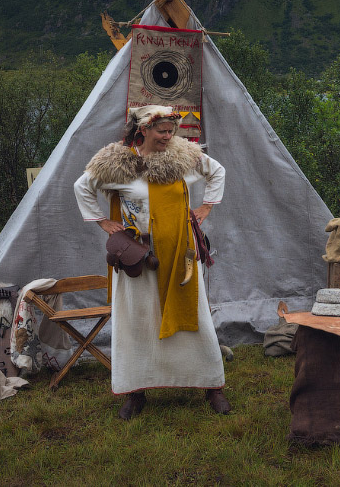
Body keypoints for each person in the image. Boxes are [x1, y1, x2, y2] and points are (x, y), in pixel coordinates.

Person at [73, 104, 230, 420]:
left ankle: (212, 386)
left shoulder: (182, 156)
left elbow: (217, 171)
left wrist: (206, 208)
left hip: (179, 250)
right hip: (137, 256)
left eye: (172, 131)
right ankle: (135, 391)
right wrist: (104, 223)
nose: (168, 136)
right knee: (136, 321)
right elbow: (82, 186)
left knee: (195, 317)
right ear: (143, 129)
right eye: (162, 131)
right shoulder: (117, 163)